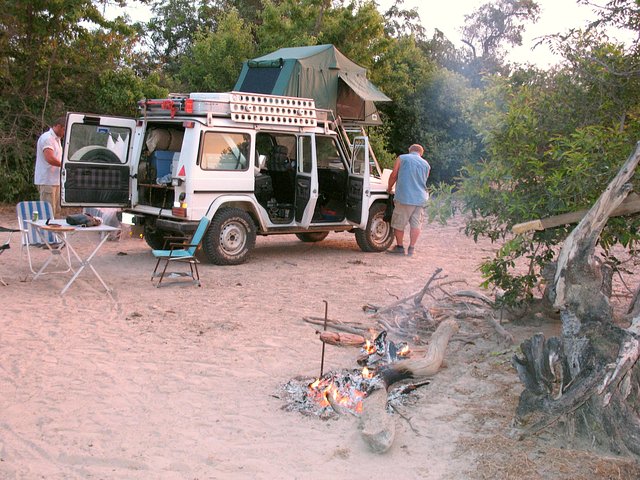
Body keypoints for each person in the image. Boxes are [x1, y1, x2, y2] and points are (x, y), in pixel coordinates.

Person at [386, 144, 430, 256]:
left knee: (399, 223)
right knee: (416, 225)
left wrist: (390, 187)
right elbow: (424, 180)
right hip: (421, 198)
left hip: (405, 197)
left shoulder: (402, 158)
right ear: (421, 153)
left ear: (409, 150)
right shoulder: (426, 164)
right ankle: (411, 248)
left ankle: (400, 247)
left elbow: (393, 175)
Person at [34, 116, 66, 218]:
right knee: (48, 212)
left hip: (56, 181)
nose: (64, 133)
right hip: (47, 181)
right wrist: (65, 165)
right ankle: (46, 233)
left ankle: (55, 233)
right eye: (64, 129)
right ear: (59, 126)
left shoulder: (57, 140)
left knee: (56, 211)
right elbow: (50, 158)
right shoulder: (47, 138)